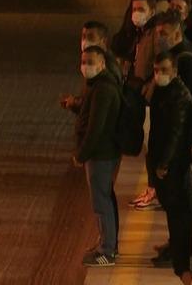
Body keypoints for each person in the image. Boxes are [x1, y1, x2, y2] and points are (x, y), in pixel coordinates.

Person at [147, 52, 192, 272]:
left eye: (164, 70)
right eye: (156, 70)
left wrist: (163, 163)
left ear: (175, 71)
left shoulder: (179, 97)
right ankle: (175, 247)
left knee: (178, 212)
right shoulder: (163, 91)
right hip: (166, 161)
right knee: (173, 210)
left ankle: (179, 253)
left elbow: (175, 134)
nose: (159, 75)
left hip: (174, 165)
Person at [74, 46, 122, 267]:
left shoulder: (103, 89)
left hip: (100, 154)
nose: (85, 66)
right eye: (83, 61)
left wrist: (82, 154)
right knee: (103, 199)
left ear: (102, 64)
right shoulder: (99, 86)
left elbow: (96, 127)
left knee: (101, 202)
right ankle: (106, 243)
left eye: (90, 62)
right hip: (102, 152)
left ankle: (107, 250)